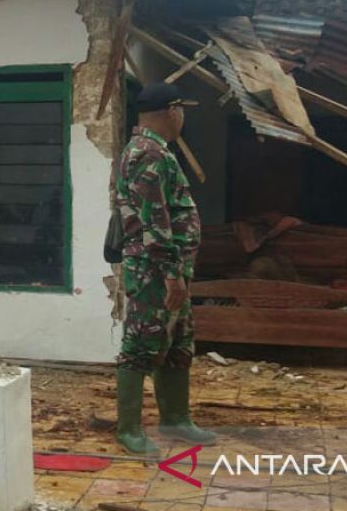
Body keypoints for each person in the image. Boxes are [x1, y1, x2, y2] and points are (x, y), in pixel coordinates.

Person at [113, 82, 216, 456]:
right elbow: (154, 219)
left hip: (171, 269)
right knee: (141, 344)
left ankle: (175, 419)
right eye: (182, 110)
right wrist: (171, 273)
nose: (183, 117)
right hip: (154, 272)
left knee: (176, 341)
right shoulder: (148, 154)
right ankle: (129, 430)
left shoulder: (156, 151)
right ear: (171, 111)